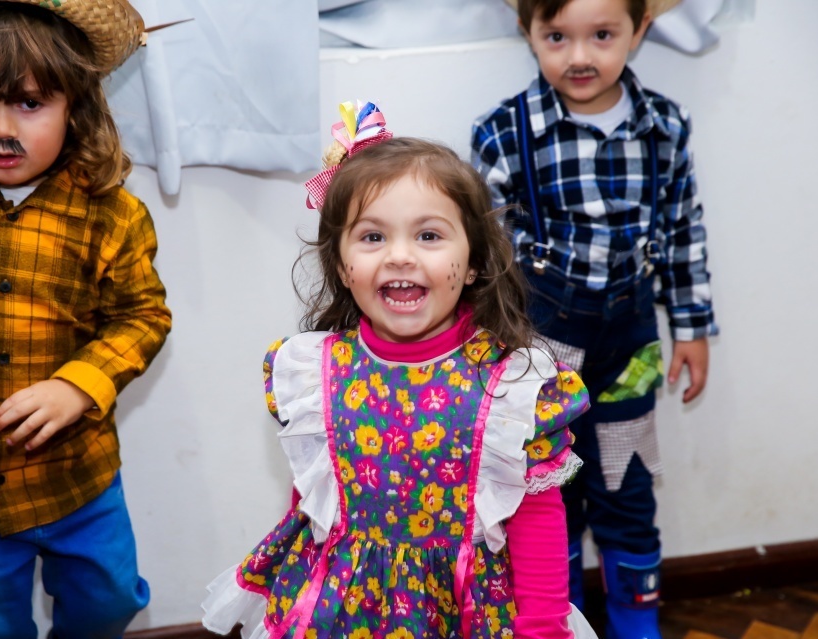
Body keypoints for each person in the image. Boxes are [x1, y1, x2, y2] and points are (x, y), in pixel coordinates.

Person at [202, 101, 597, 639]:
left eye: (428, 236)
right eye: (373, 237)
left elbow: (537, 516)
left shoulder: (510, 387)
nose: (400, 256)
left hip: (465, 613)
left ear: (474, 262)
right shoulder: (315, 373)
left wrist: (543, 629)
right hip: (343, 612)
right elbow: (314, 496)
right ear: (342, 265)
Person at [0, 1, 172, 637]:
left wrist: (80, 385)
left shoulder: (111, 215)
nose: (1, 130)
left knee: (110, 601)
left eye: (28, 103)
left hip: (73, 479)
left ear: (75, 103)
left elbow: (142, 316)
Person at [470, 0, 718, 637]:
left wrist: (691, 327)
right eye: (557, 36)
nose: (579, 57)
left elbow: (683, 232)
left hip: (632, 344)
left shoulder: (665, 125)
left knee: (625, 483)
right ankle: (556, 621)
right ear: (527, 31)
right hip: (540, 343)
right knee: (546, 490)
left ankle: (636, 623)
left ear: (640, 29)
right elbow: (487, 256)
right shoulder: (503, 132)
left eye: (602, 34)